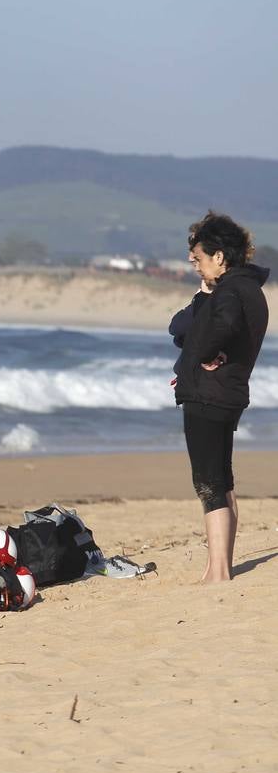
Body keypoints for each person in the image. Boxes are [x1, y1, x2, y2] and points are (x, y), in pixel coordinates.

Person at [175, 211, 269, 583]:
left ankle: (218, 573)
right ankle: (219, 567)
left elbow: (225, 324)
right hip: (226, 394)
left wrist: (205, 352)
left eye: (198, 258)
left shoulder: (230, 291)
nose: (193, 264)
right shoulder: (249, 289)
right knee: (221, 482)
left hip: (210, 397)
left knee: (209, 484)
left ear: (219, 256)